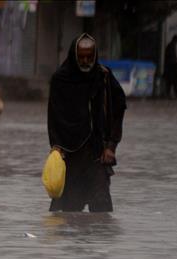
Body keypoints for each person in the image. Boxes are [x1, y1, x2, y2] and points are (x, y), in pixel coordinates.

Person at [47, 33, 126, 213]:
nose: (85, 61)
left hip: (97, 155)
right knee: (66, 215)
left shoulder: (103, 77)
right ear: (74, 56)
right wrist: (56, 147)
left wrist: (111, 146)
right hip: (70, 156)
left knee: (101, 213)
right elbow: (54, 117)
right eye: (81, 56)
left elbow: (119, 108)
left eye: (89, 57)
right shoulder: (61, 79)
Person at [163, 35, 177, 99]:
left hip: (171, 66)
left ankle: (170, 94)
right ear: (175, 40)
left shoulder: (171, 46)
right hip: (171, 67)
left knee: (172, 81)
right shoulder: (171, 46)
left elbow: (174, 57)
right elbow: (172, 57)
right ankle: (174, 94)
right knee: (173, 81)